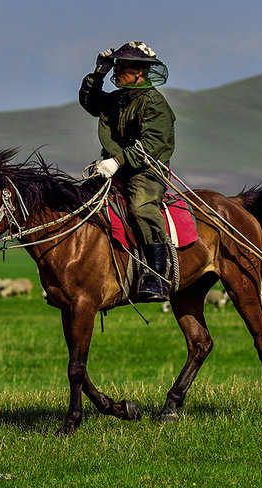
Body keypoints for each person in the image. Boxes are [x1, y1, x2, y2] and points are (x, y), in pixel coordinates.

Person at [79, 41, 176, 302]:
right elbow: (90, 102)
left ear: (140, 72)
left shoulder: (155, 104)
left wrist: (118, 161)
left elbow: (153, 145)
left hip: (146, 171)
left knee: (140, 209)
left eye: (124, 66)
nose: (118, 70)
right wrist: (98, 74)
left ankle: (157, 277)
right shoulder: (118, 99)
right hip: (115, 169)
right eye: (117, 65)